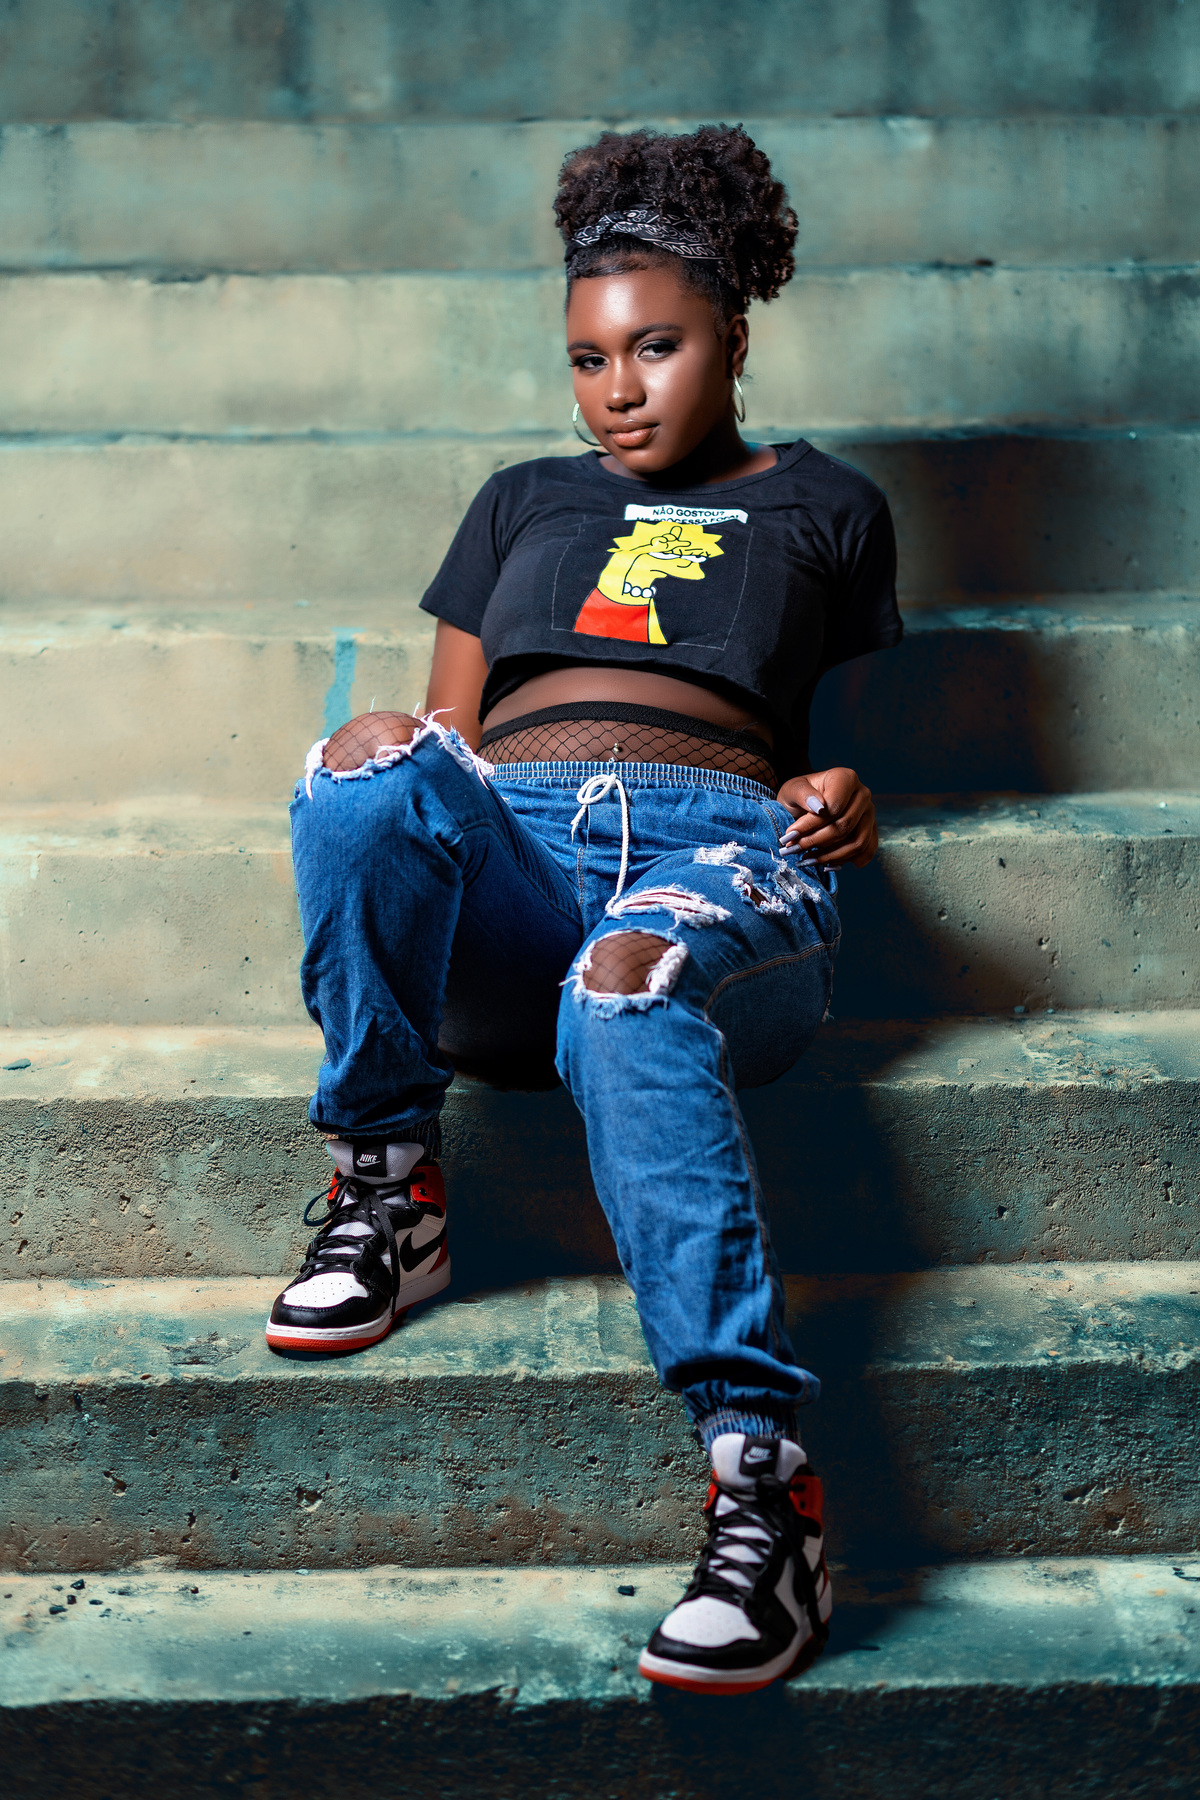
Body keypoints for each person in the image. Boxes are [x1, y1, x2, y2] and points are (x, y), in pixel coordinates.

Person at [266, 125, 901, 1694]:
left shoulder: (829, 504)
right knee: (362, 769)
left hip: (715, 846)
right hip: (519, 854)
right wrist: (399, 761)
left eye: (656, 347)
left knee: (628, 979)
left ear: (733, 336)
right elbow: (448, 751)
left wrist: (845, 794)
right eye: (588, 359)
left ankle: (764, 1490)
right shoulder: (519, 501)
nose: (619, 388)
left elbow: (834, 748)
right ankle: (388, 1188)